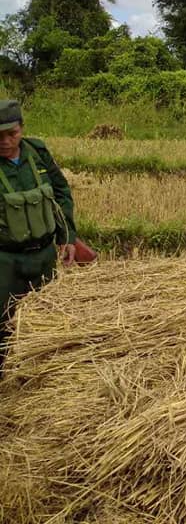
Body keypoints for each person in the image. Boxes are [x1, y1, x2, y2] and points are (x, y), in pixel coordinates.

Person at [0, 100, 77, 364]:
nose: (6, 141)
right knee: (4, 329)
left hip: (44, 258)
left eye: (12, 134)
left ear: (22, 128)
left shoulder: (38, 152)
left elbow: (61, 193)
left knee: (47, 325)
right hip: (5, 263)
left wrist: (67, 238)